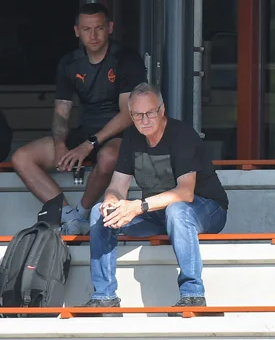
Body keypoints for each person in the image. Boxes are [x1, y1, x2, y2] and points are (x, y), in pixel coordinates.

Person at [81, 83, 228, 312]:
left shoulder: (182, 135)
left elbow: (185, 192)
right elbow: (118, 185)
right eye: (138, 115)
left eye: (150, 113)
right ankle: (104, 295)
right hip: (156, 211)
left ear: (162, 109)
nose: (145, 120)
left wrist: (138, 206)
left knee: (177, 209)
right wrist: (111, 200)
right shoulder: (131, 137)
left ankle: (193, 294)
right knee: (99, 212)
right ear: (131, 115)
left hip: (205, 209)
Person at [11, 3, 145, 234]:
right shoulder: (70, 62)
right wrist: (59, 144)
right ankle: (69, 216)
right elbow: (61, 111)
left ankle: (82, 213)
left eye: (99, 28)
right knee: (22, 158)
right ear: (76, 31)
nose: (93, 35)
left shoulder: (125, 58)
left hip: (119, 134)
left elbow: (128, 114)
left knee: (109, 158)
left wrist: (88, 144)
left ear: (110, 28)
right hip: (86, 132)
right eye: (86, 29)